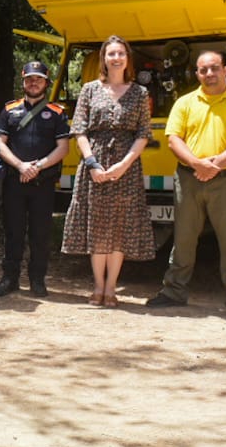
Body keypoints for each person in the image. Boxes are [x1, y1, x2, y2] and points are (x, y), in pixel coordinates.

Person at [145, 51, 226, 319]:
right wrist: (197, 164)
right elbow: (174, 139)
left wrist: (214, 165)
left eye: (214, 68)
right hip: (189, 179)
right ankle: (174, 291)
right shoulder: (184, 103)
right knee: (183, 238)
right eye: (203, 70)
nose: (209, 74)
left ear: (225, 70)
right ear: (197, 74)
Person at [62, 35, 157, 307]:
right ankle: (98, 286)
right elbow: (79, 129)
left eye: (121, 54)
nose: (116, 58)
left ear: (128, 59)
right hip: (94, 165)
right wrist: (92, 163)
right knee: (98, 227)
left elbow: (143, 133)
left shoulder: (140, 93)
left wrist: (124, 165)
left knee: (118, 228)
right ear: (103, 59)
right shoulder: (89, 90)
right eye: (111, 54)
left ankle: (112, 287)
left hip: (126, 167)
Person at [0, 61, 71, 298]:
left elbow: (63, 147)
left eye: (38, 79)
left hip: (43, 182)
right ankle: (10, 279)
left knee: (40, 233)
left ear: (46, 83)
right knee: (13, 232)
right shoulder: (9, 110)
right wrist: (20, 165)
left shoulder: (57, 112)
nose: (33, 83)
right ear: (23, 81)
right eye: (29, 79)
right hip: (14, 181)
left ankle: (37, 279)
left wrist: (38, 166)